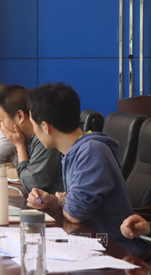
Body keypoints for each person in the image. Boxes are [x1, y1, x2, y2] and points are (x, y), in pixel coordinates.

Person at [25, 83, 148, 256]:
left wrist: (62, 201)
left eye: (33, 124)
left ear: (45, 126)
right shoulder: (75, 151)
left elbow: (75, 213)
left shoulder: (91, 152)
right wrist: (53, 200)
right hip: (88, 244)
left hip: (111, 250)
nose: (33, 131)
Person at [0, 85, 63, 194]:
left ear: (20, 116)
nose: (1, 126)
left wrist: (19, 146)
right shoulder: (27, 138)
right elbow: (23, 176)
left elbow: (31, 184)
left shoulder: (45, 138)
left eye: (2, 119)